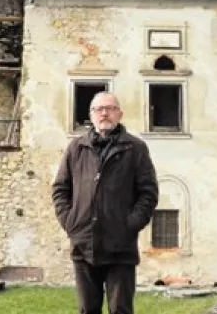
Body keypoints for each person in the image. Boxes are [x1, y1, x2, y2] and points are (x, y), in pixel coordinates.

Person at [51, 91, 159, 314]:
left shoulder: (135, 148)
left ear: (119, 113)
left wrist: (129, 225)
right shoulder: (76, 148)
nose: (104, 113)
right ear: (91, 115)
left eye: (110, 108)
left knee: (120, 309)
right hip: (83, 243)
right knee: (87, 309)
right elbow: (61, 189)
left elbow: (148, 193)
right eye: (99, 109)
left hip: (120, 246)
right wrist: (71, 222)